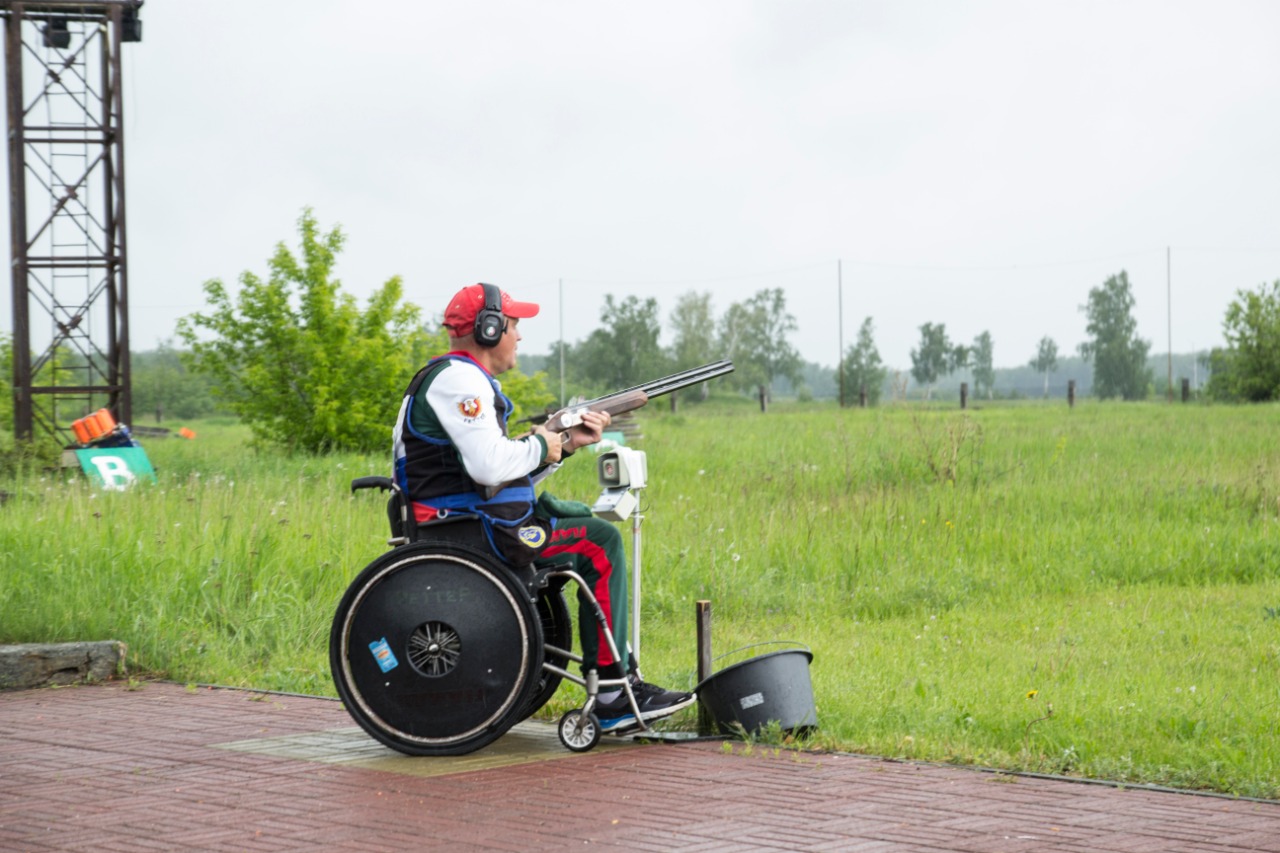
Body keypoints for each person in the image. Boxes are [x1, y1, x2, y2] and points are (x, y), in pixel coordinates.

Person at [392, 282, 695, 731]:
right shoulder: (460, 381)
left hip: (467, 522)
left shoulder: (463, 379)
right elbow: (490, 467)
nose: (519, 336)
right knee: (601, 540)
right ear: (489, 329)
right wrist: (541, 441)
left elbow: (496, 475)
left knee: (587, 527)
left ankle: (615, 682)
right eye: (514, 325)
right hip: (468, 534)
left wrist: (564, 444)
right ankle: (612, 692)